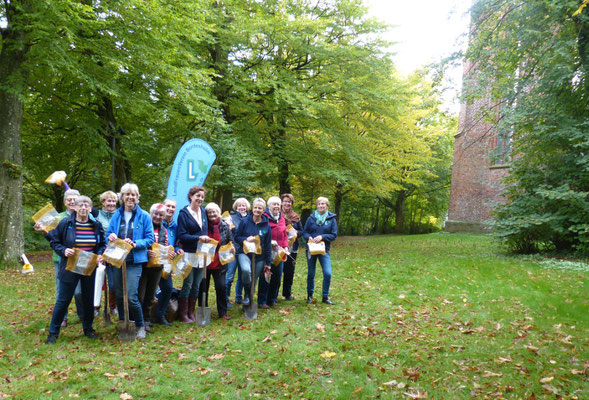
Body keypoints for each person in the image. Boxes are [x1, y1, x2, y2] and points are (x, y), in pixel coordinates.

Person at [45, 196, 105, 344]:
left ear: (90, 209)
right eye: (80, 205)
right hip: (70, 266)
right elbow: (54, 241)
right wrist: (64, 250)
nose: (83, 208)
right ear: (75, 208)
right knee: (63, 300)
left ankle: (88, 328)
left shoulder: (96, 225)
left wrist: (100, 255)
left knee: (88, 299)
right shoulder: (66, 223)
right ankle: (53, 333)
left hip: (89, 266)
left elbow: (102, 244)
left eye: (86, 205)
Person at [107, 183, 154, 340]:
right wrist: (112, 237)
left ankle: (140, 325)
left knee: (131, 296)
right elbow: (109, 233)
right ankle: (123, 323)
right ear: (122, 197)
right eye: (127, 194)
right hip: (118, 260)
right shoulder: (116, 215)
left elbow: (149, 238)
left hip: (134, 260)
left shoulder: (144, 216)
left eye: (133, 194)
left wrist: (135, 243)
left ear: (137, 198)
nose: (130, 197)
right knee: (119, 295)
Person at [35, 188, 84, 328]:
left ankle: (83, 314)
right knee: (61, 290)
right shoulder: (58, 217)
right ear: (65, 202)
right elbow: (53, 238)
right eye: (69, 199)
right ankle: (62, 317)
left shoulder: (85, 215)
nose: (72, 202)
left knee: (79, 291)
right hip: (60, 259)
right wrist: (43, 230)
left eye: (75, 199)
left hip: (80, 259)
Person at [176, 186, 209, 323]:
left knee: (197, 284)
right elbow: (182, 236)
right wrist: (198, 238)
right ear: (191, 197)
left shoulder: (203, 212)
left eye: (202, 197)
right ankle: (183, 314)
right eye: (197, 196)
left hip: (202, 253)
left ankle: (191, 312)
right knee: (188, 284)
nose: (200, 199)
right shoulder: (183, 214)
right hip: (189, 254)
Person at [234, 198, 272, 307]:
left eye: (260, 208)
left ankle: (248, 301)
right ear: (252, 208)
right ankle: (247, 293)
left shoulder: (266, 225)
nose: (257, 210)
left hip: (260, 257)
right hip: (244, 253)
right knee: (246, 271)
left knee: (254, 279)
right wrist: (246, 239)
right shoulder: (245, 221)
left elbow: (268, 245)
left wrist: (268, 263)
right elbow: (237, 237)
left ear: (263, 210)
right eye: (255, 207)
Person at [138, 203, 170, 332]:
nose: (157, 217)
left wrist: (168, 252)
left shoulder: (164, 230)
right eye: (155, 214)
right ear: (150, 214)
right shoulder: (143, 226)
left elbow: (165, 245)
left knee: (151, 294)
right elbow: (138, 242)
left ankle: (146, 319)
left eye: (160, 215)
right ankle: (138, 320)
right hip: (143, 265)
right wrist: (146, 251)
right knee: (140, 294)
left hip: (157, 266)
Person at [198, 202, 233, 320]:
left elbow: (230, 241)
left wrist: (232, 248)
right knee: (203, 287)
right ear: (206, 214)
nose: (212, 214)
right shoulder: (203, 226)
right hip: (204, 262)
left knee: (221, 287)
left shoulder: (224, 226)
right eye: (209, 212)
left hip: (220, 262)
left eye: (214, 212)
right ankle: (203, 311)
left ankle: (222, 312)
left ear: (218, 213)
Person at [303, 196, 337, 305]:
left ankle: (325, 296)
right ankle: (309, 296)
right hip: (311, 250)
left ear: (327, 206)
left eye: (323, 204)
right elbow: (305, 232)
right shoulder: (311, 218)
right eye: (319, 204)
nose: (321, 206)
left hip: (324, 250)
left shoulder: (331, 219)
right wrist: (309, 237)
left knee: (327, 273)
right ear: (317, 206)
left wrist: (322, 236)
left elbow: (334, 235)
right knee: (311, 273)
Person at [258, 196, 289, 308]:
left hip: (279, 252)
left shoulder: (281, 218)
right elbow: (261, 233)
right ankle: (262, 300)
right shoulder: (264, 218)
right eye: (274, 204)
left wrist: (285, 246)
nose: (276, 206)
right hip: (267, 251)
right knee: (265, 275)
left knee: (277, 275)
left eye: (278, 204)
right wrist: (269, 242)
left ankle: (272, 298)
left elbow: (284, 234)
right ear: (269, 206)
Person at [154, 199, 179, 326]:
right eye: (168, 206)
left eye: (173, 207)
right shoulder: (156, 220)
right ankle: (147, 317)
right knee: (150, 290)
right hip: (152, 261)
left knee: (167, 288)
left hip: (167, 262)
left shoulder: (176, 226)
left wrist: (177, 250)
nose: (170, 208)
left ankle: (161, 314)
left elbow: (177, 243)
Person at [96, 190, 118, 317]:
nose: (111, 203)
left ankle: (113, 306)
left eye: (113, 201)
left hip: (115, 253)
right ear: (103, 202)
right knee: (98, 281)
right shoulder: (97, 215)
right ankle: (96, 306)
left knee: (113, 283)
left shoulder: (119, 215)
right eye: (108, 201)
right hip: (100, 252)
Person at [225, 197, 250, 308]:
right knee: (230, 275)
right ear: (236, 207)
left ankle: (238, 297)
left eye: (243, 205)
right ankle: (225, 298)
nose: (241, 207)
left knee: (242, 275)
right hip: (232, 249)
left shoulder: (250, 218)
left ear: (246, 207)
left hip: (244, 250)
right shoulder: (230, 217)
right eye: (239, 205)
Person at [280, 193, 303, 301]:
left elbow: (302, 232)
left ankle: (287, 293)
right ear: (281, 203)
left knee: (289, 271)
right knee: (277, 271)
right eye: (285, 201)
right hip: (279, 247)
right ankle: (273, 294)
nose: (287, 203)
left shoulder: (296, 217)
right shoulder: (277, 215)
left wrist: (296, 232)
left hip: (292, 248)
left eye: (289, 202)